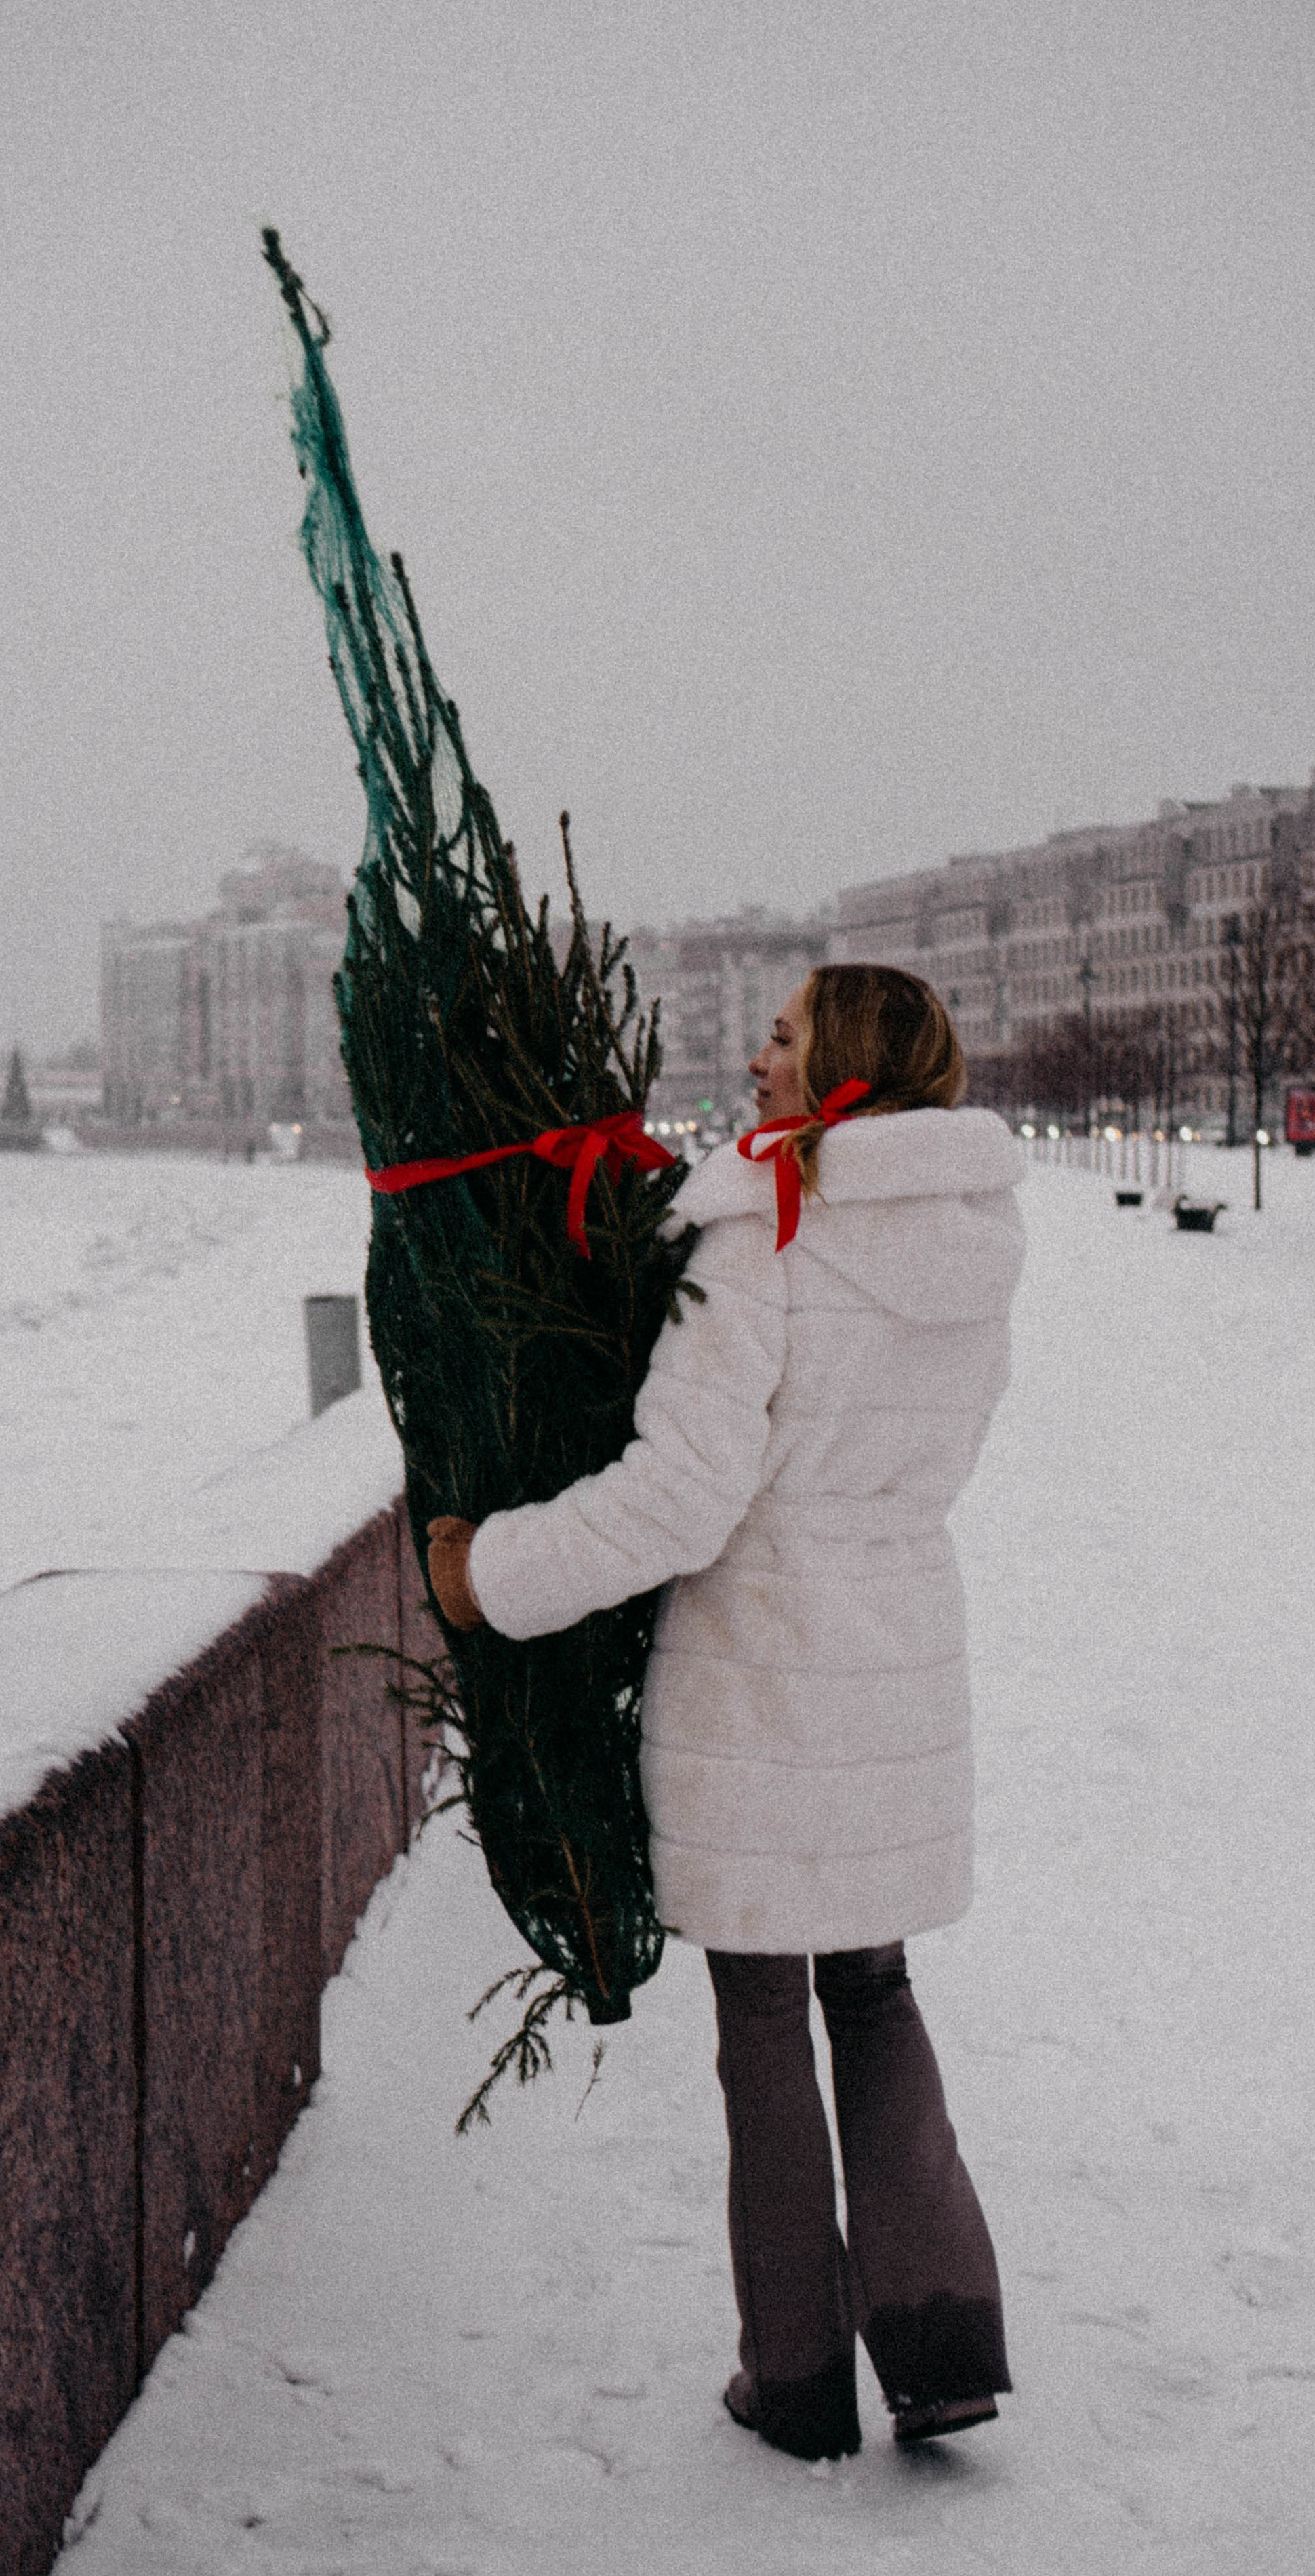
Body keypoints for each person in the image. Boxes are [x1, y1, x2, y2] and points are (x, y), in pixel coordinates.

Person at [426, 962, 1026, 2461]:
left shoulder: (762, 1230)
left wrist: (486, 1575)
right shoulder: (967, 1240)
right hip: (893, 1650)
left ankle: (799, 2375)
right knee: (872, 1988)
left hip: (763, 1664)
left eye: (780, 1036)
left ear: (840, 1069)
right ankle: (943, 2337)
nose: (753, 1059)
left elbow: (680, 1500)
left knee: (764, 2009)